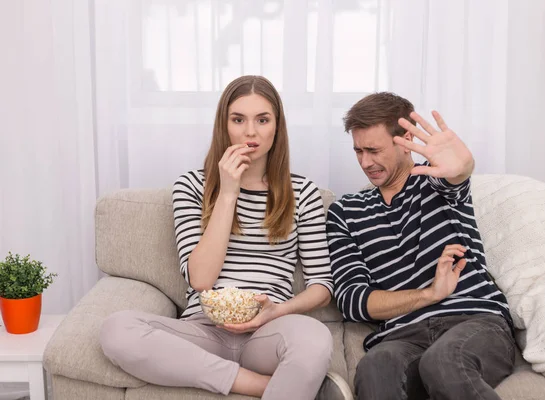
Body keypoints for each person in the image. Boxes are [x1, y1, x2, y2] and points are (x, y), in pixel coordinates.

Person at [99, 75, 353, 400]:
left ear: (277, 127)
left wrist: (277, 311)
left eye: (262, 119)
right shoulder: (191, 186)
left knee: (316, 338)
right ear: (224, 125)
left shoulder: (302, 191)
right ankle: (259, 385)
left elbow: (322, 287)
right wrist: (229, 191)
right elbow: (202, 279)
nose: (250, 132)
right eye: (238, 119)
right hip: (203, 329)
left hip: (267, 330)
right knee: (117, 330)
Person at [326, 92, 516, 400]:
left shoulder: (433, 181)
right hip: (401, 337)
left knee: (443, 362)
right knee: (375, 366)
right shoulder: (346, 212)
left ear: (405, 142)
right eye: (358, 151)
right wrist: (429, 294)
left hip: (474, 321)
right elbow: (352, 300)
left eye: (374, 150)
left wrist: (462, 165)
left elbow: (456, 175)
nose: (365, 162)